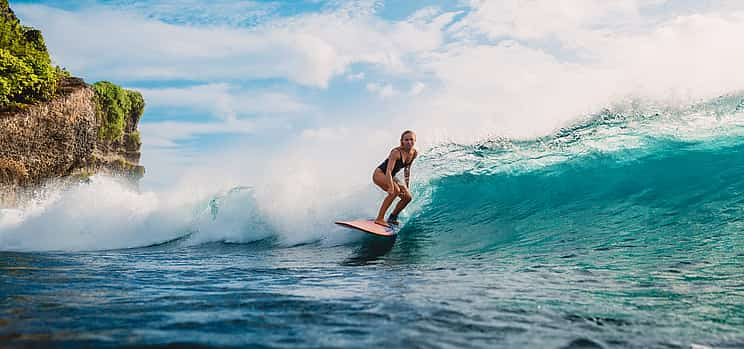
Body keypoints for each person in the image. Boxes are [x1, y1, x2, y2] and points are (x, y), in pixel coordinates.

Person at [372, 130, 418, 227]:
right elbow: (388, 170)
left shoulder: (414, 153)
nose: (409, 142)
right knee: (395, 191)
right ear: (402, 141)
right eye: (406, 140)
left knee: (407, 197)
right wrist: (391, 186)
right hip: (380, 174)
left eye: (411, 139)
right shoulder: (396, 152)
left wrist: (406, 186)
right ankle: (379, 218)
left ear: (415, 140)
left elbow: (407, 169)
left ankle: (392, 217)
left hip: (391, 176)